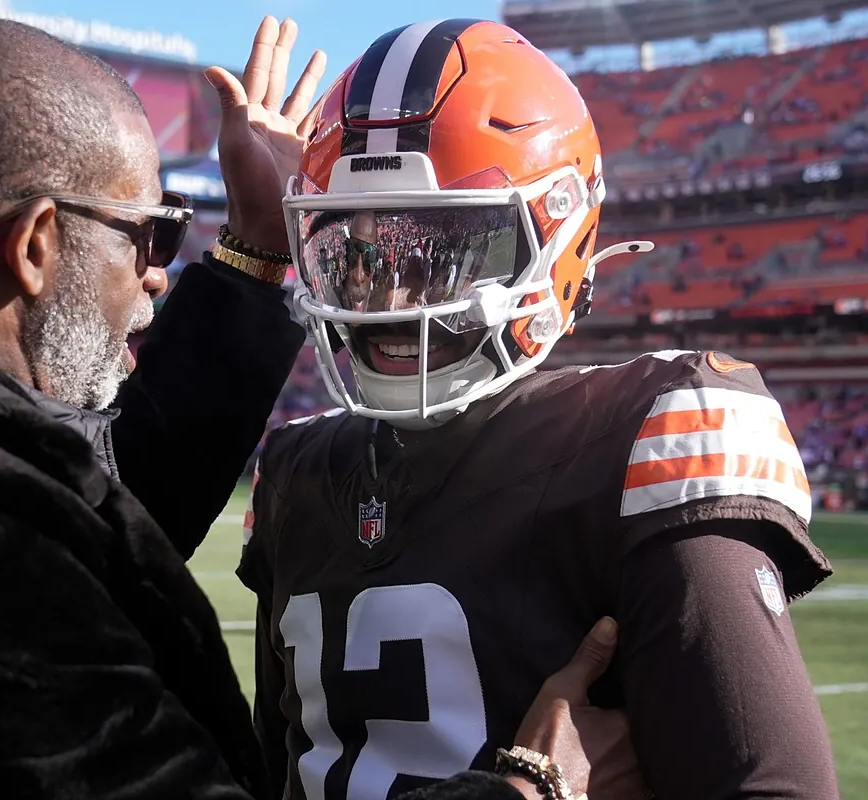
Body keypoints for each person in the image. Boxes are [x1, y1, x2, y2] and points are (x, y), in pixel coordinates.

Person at [0, 15, 636, 800]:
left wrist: (256, 249)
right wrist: (527, 792)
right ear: (38, 245)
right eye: (153, 233)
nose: (156, 278)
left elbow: (95, 508)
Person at [240, 19, 839, 800]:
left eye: (438, 251)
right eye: (352, 253)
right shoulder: (296, 470)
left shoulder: (645, 431)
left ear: (559, 231)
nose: (384, 298)